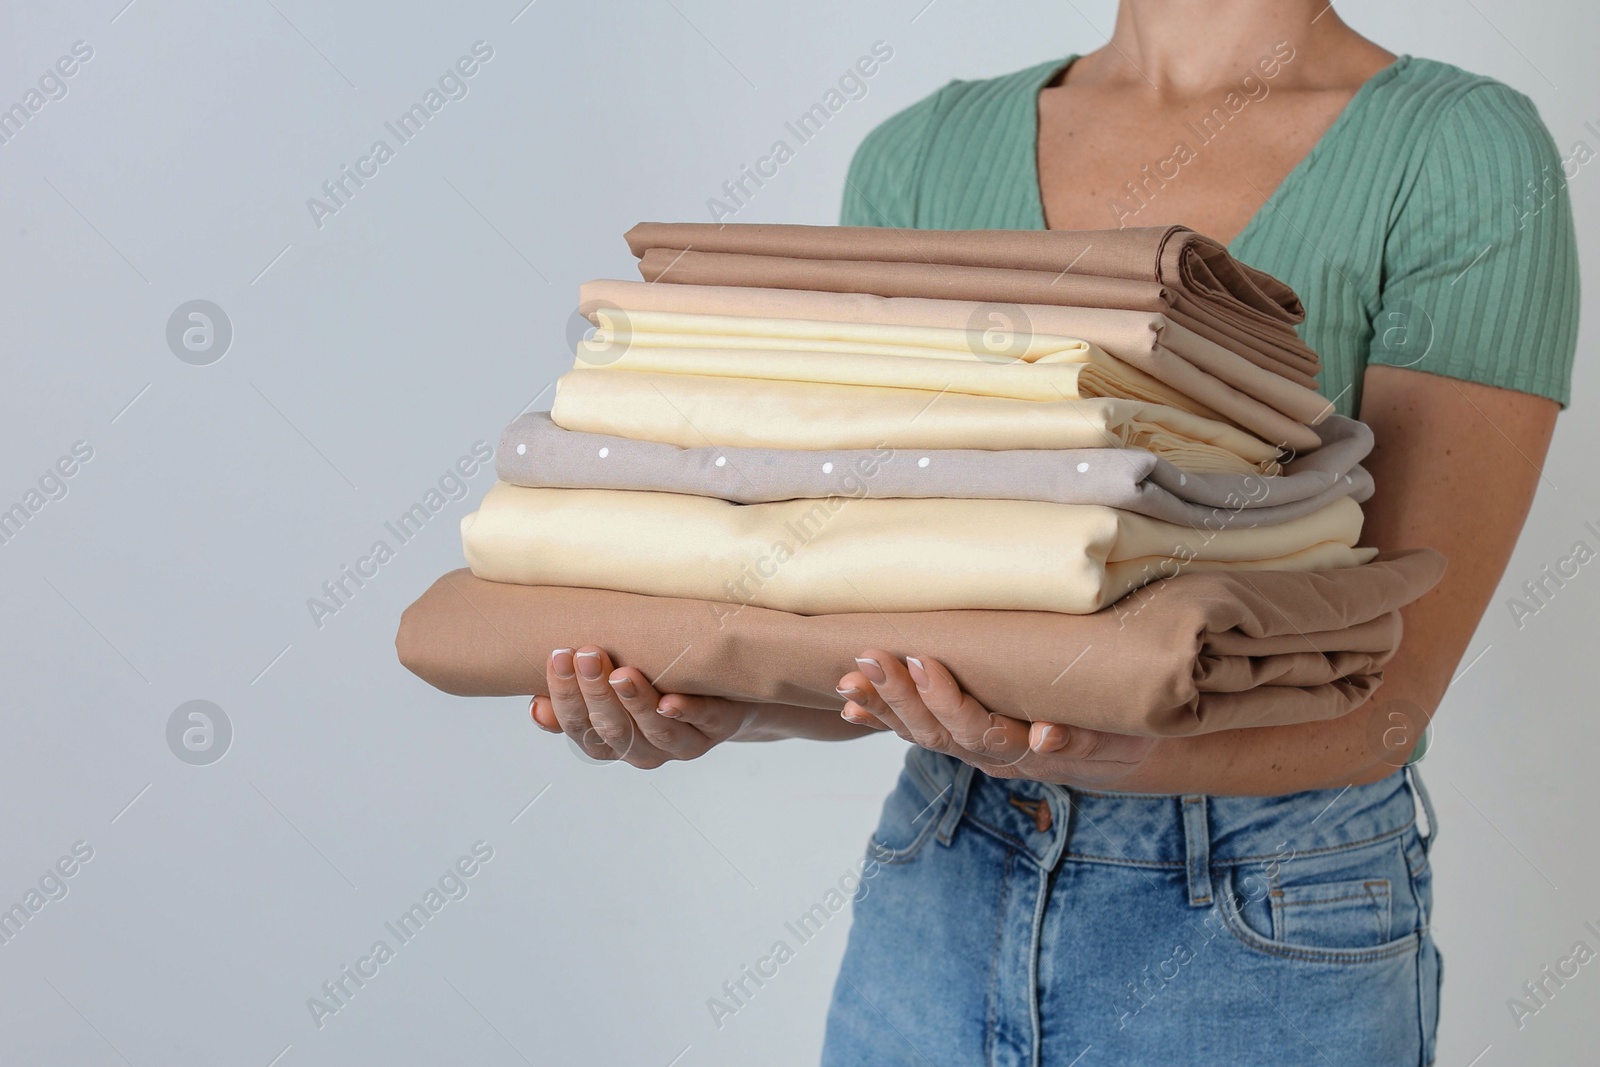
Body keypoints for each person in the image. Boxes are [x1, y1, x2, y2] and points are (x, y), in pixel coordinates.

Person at [530, 2, 1578, 1062]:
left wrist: (1087, 747)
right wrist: (716, 703)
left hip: (1263, 911)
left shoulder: (1458, 153)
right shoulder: (923, 154)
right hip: (941, 884)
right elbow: (880, 639)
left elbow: (1383, 705)